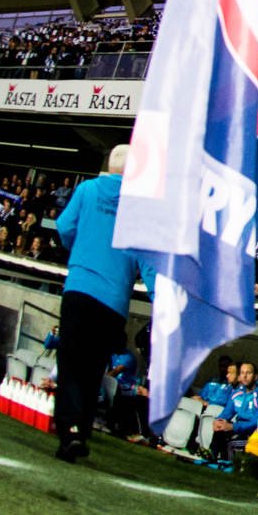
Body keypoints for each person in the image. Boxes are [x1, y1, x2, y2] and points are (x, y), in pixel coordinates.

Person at [53, 145, 154, 464]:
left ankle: (69, 432)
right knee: (94, 368)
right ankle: (80, 432)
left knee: (70, 364)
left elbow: (63, 227)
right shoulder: (140, 208)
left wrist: (80, 248)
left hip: (80, 288)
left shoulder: (87, 190)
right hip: (112, 302)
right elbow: (148, 261)